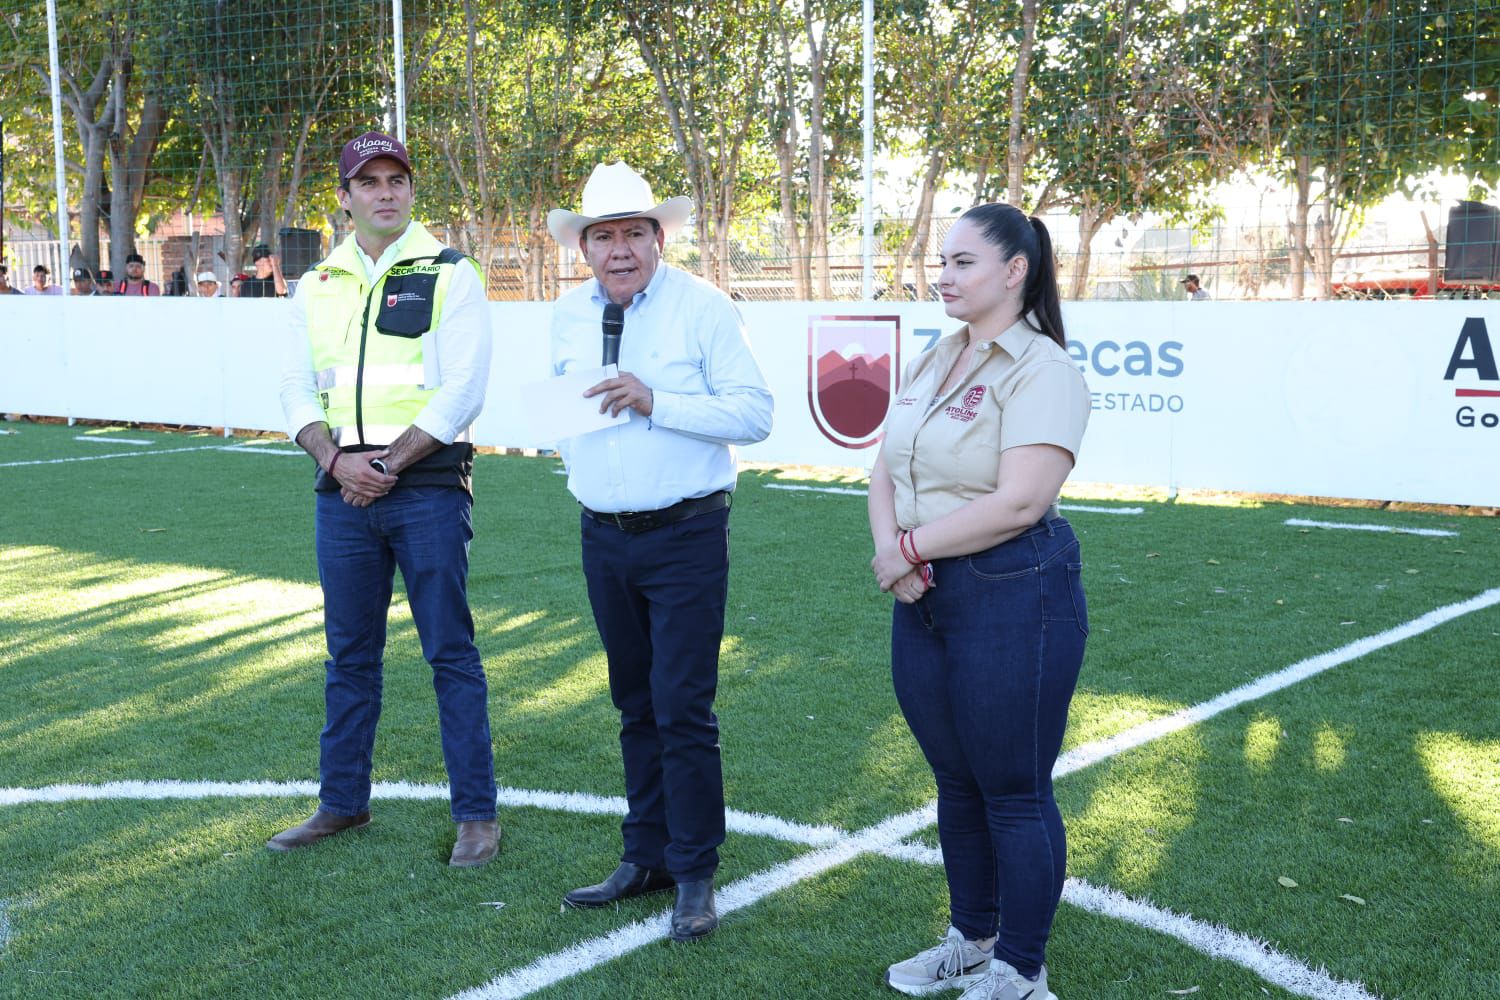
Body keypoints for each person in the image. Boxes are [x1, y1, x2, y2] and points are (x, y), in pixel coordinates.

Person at [546, 161, 773, 942]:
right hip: (602, 536)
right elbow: (562, 401)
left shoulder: (704, 308)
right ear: (583, 247)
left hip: (685, 534)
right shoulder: (567, 315)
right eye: (602, 236)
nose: (618, 250)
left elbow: (754, 414)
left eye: (633, 234)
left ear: (658, 238)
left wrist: (656, 400)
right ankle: (644, 856)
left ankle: (695, 870)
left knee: (682, 707)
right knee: (633, 703)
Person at [870, 203, 1089, 1000]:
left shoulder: (1043, 370)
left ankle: (1021, 971)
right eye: (943, 261)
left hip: (1012, 591)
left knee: (1013, 788)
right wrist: (891, 551)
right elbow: (887, 466)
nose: (944, 276)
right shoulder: (937, 357)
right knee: (956, 781)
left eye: (963, 262)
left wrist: (909, 550)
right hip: (923, 591)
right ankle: (972, 940)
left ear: (1015, 271)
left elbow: (1021, 502)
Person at [273, 130, 500, 867]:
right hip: (341, 491)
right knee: (349, 656)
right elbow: (291, 386)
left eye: (395, 179)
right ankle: (342, 804)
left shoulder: (451, 272)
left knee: (450, 653)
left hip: (426, 488)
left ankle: (476, 815)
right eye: (367, 181)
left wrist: (388, 463)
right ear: (344, 197)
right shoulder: (317, 283)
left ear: (410, 188)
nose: (384, 192)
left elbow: (465, 387)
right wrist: (337, 461)